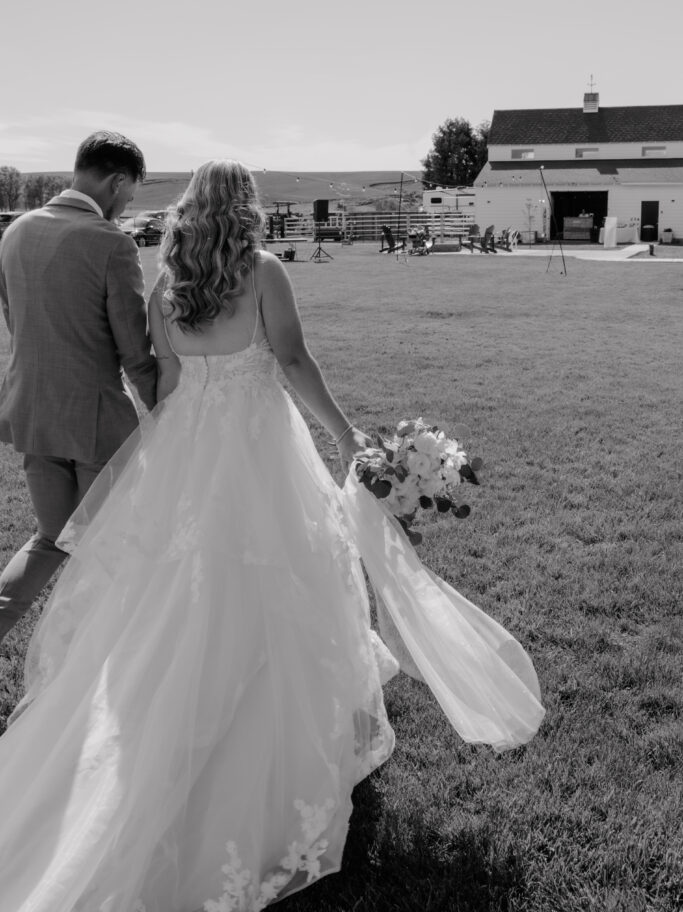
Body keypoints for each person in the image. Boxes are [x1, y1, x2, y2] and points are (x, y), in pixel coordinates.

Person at [0, 160, 544, 911]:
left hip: (185, 444)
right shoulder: (262, 271)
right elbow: (290, 361)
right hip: (258, 444)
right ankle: (264, 736)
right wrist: (346, 434)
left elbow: (157, 378)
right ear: (246, 208)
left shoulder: (167, 281)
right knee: (281, 572)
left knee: (177, 589)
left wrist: (170, 444)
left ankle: (185, 715)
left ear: (190, 208)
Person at [0, 131, 157, 643]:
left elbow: (14, 321)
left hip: (30, 412)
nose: (126, 203)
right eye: (130, 193)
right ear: (116, 181)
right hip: (96, 423)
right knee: (114, 543)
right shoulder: (111, 242)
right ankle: (107, 656)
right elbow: (135, 351)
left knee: (51, 537)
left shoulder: (15, 231)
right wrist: (168, 410)